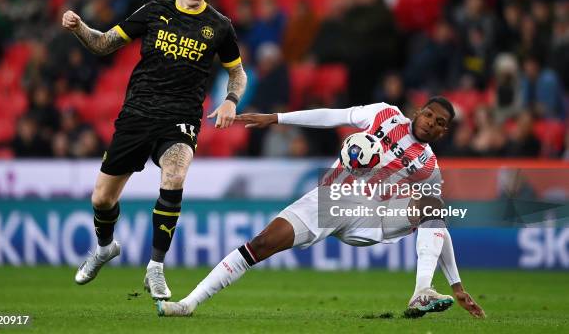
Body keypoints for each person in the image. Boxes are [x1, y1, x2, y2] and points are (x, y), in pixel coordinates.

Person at [157, 97, 485, 319]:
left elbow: (438, 226)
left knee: (433, 205)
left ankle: (421, 291)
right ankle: (189, 303)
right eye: (428, 114)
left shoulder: (428, 166)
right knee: (260, 244)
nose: (431, 122)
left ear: (443, 132)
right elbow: (333, 117)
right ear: (418, 111)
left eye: (439, 122)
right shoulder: (384, 114)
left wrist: (456, 284)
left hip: (371, 216)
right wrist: (276, 118)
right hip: (330, 200)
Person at [61, 0, 247, 300]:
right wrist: (79, 28)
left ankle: (155, 267)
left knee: (174, 175)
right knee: (102, 199)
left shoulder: (219, 26)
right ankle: (104, 248)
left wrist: (230, 100)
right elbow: (103, 44)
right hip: (137, 115)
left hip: (181, 118)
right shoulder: (153, 12)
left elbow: (237, 73)